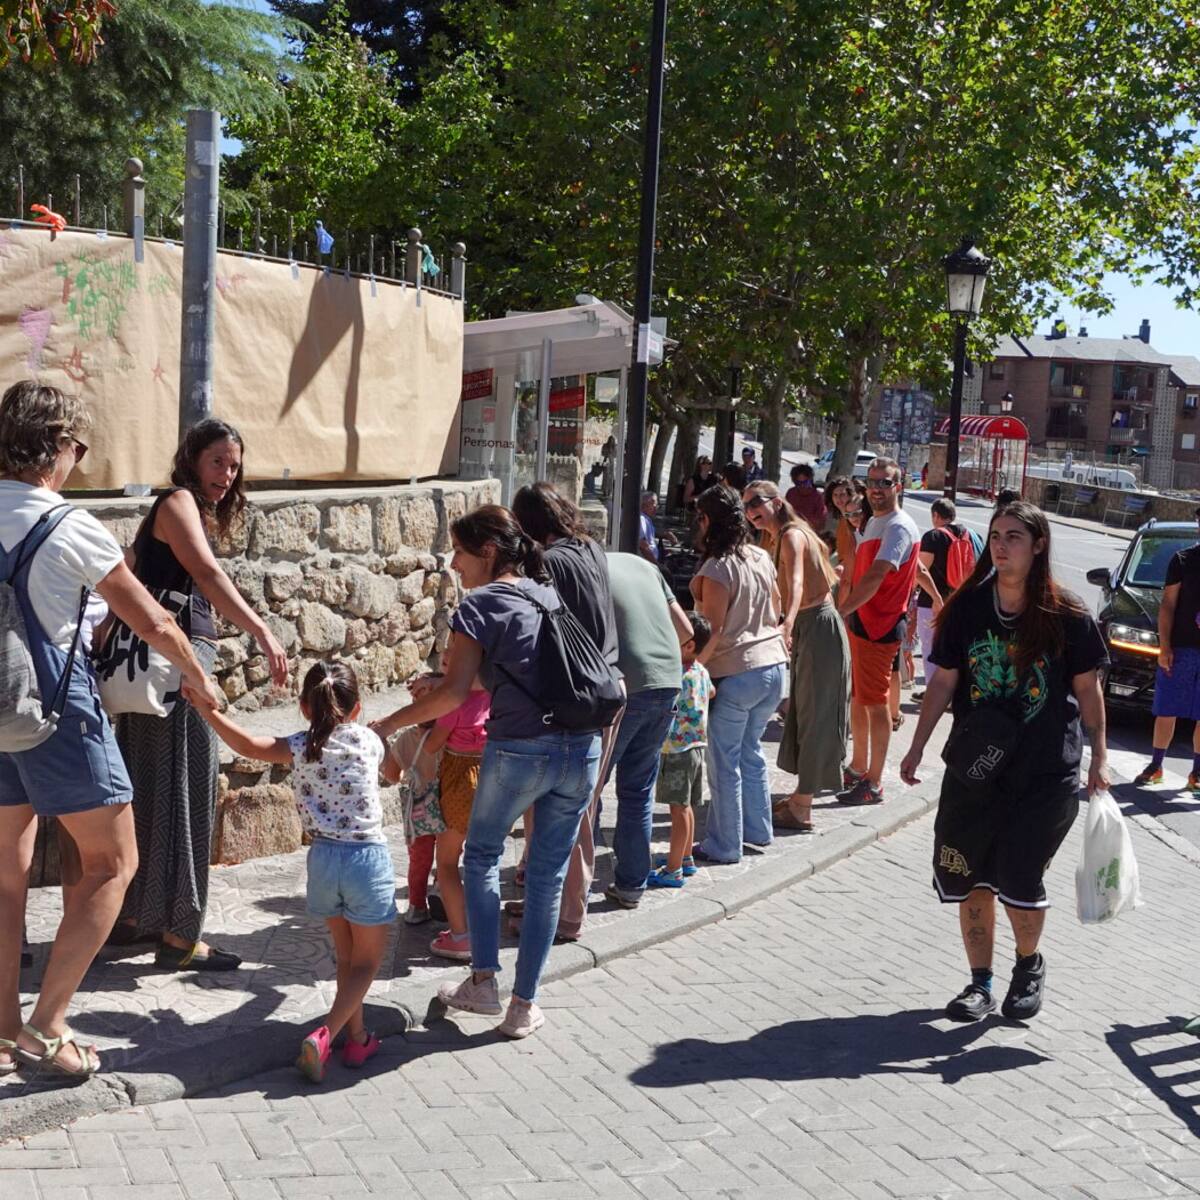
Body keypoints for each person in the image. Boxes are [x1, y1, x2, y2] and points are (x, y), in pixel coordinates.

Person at [0, 381, 221, 1079]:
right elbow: (150, 619)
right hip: (56, 712)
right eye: (78, 447)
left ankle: (2, 1029)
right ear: (57, 447)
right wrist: (199, 675)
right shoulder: (69, 526)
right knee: (111, 863)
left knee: (5, 874)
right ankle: (46, 1026)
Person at [370, 506, 603, 1040]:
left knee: (480, 858)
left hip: (521, 749)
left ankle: (483, 981)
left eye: (459, 551)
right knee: (546, 877)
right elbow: (511, 675)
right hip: (581, 748)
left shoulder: (478, 605)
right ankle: (523, 1006)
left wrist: (388, 723)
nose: (454, 563)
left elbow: (455, 694)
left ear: (489, 552)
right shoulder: (545, 594)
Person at [900, 501, 1109, 1022]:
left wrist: (1099, 759)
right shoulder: (968, 607)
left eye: (1014, 536)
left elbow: (1089, 691)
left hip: (1045, 773)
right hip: (976, 769)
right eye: (996, 535)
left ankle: (1028, 964)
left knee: (1019, 877)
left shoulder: (1068, 615)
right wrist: (917, 746)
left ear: (1038, 545)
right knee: (970, 877)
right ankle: (980, 983)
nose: (1001, 545)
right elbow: (943, 682)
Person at [111, 419, 288, 972]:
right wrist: (262, 630)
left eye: (234, 466)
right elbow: (207, 574)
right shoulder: (178, 501)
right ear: (191, 458)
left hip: (151, 670)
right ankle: (180, 934)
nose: (227, 474)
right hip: (178, 664)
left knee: (151, 786)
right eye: (218, 461)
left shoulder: (167, 509)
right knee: (188, 788)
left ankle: (136, 916)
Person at [184, 662, 395, 1081]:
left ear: (303, 707)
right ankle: (325, 1036)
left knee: (346, 957)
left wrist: (208, 711)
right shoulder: (370, 740)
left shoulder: (300, 746)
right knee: (367, 962)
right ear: (356, 708)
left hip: (323, 859)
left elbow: (247, 744)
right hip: (366, 859)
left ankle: (357, 1039)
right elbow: (392, 769)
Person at [511, 483, 623, 937]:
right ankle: (557, 905)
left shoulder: (550, 562)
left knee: (563, 811)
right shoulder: (590, 549)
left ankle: (564, 915)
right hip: (608, 683)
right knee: (580, 805)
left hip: (577, 693)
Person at [690, 486, 788, 864]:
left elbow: (713, 630)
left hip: (736, 672)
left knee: (724, 763)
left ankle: (725, 844)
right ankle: (758, 829)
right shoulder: (760, 556)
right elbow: (776, 607)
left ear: (707, 520)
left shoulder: (718, 567)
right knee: (751, 751)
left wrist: (694, 671)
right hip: (772, 666)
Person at [743, 482, 848, 833]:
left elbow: (797, 582)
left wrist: (787, 623)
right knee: (803, 713)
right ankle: (800, 797)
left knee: (815, 715)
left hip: (815, 627)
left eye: (756, 503)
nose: (750, 511)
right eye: (746, 506)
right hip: (808, 626)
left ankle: (802, 807)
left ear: (776, 502)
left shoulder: (790, 535)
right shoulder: (773, 537)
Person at [597, 552, 691, 910]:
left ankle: (571, 884)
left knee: (588, 789)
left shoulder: (588, 567)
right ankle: (632, 884)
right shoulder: (645, 566)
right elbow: (685, 630)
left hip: (628, 684)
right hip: (668, 680)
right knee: (637, 791)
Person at [836, 458, 920, 806]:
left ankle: (873, 782)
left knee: (874, 703)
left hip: (877, 625)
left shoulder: (898, 527)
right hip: (864, 621)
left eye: (885, 482)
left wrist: (842, 610)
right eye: (871, 482)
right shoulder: (876, 522)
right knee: (861, 698)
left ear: (898, 486)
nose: (876, 489)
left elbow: (877, 574)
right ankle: (858, 768)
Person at [423, 685, 490, 961]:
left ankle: (461, 937)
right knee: (484, 862)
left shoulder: (454, 701)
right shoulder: (498, 693)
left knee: (447, 863)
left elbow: (431, 745)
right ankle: (484, 934)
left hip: (460, 782)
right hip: (493, 778)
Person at [647, 615, 714, 888]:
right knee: (686, 807)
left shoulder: (678, 675)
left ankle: (673, 870)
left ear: (688, 645)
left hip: (677, 749)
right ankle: (685, 858)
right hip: (696, 746)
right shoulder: (700, 670)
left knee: (678, 810)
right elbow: (711, 692)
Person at [1135, 505, 1200, 789]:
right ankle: (1156, 765)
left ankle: (1197, 773)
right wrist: (1165, 647)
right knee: (1166, 709)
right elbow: (1168, 605)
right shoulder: (1183, 560)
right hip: (1181, 647)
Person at [381, 677, 442, 926]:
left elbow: (391, 776)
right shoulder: (453, 734)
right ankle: (443, 891)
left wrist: (385, 748)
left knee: (419, 860)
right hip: (450, 805)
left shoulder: (406, 739)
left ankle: (417, 906)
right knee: (450, 857)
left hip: (419, 811)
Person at [915, 498, 974, 692]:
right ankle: (955, 691)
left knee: (930, 648)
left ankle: (933, 692)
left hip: (931, 602)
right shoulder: (969, 535)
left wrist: (910, 594)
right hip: (960, 601)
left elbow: (921, 570)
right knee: (955, 648)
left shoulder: (932, 537)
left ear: (935, 515)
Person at [824, 476, 861, 569]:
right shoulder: (842, 519)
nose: (838, 498)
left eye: (842, 494)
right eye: (835, 495)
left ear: (850, 495)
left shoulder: (857, 519)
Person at [785, 463, 827, 532]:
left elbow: (820, 523)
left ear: (811, 480)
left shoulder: (818, 497)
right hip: (791, 530)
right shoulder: (791, 493)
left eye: (805, 482)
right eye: (798, 483)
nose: (802, 486)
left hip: (809, 532)